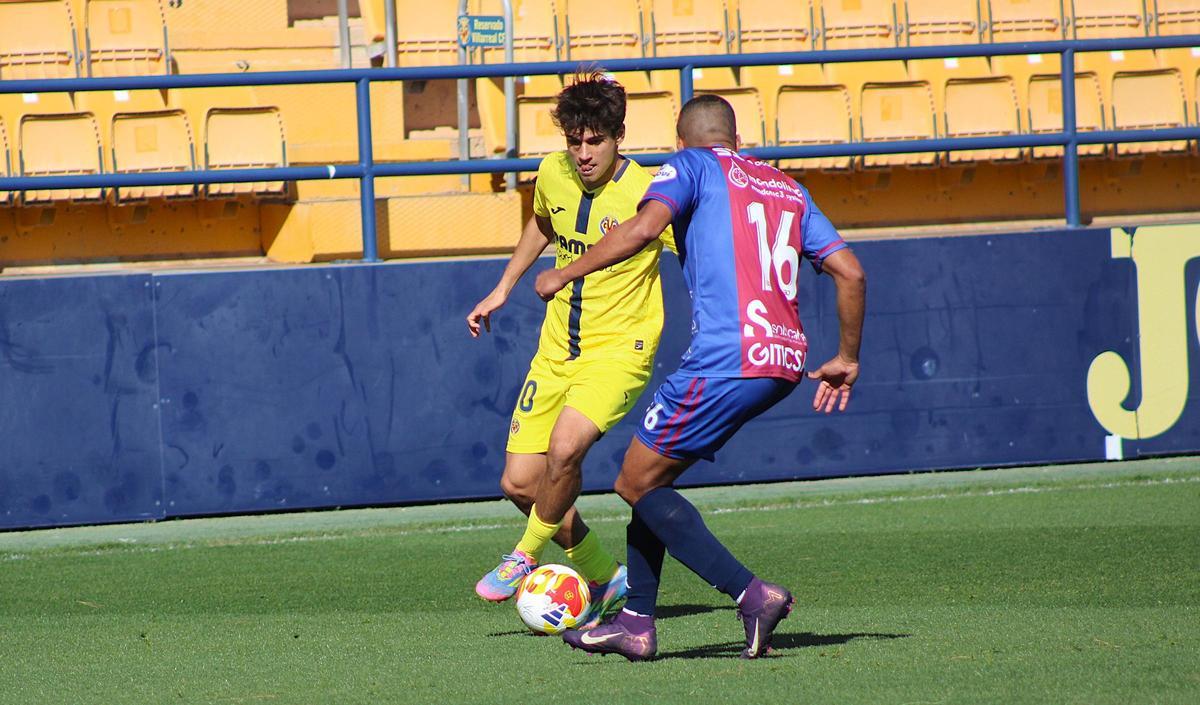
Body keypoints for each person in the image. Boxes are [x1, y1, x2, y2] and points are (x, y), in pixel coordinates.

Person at [534, 95, 866, 660]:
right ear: (736, 141)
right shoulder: (787, 187)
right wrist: (847, 358)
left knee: (633, 484)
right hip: (784, 361)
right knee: (648, 480)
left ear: (682, 142)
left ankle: (751, 594)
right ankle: (636, 624)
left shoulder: (687, 166)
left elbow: (643, 228)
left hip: (724, 357)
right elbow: (850, 272)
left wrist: (563, 272)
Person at [466, 71, 675, 629]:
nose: (583, 153)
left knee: (565, 451)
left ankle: (524, 555)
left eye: (595, 141)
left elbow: (697, 252)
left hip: (619, 350)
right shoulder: (553, 174)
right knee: (520, 483)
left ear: (618, 136)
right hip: (556, 349)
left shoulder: (650, 191)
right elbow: (541, 225)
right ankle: (608, 578)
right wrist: (502, 288)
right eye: (574, 141)